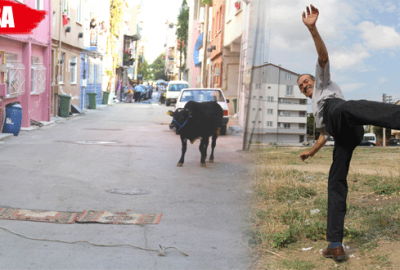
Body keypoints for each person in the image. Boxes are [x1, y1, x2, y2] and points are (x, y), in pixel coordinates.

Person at [298, 4, 400, 261]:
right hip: (342, 134)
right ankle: (335, 243)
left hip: (344, 117)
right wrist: (311, 152)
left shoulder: (323, 83)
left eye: (305, 81)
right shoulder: (315, 109)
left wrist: (313, 30)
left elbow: (322, 57)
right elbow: (325, 134)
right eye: (301, 86)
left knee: (346, 107)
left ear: (314, 79)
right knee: (335, 183)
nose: (304, 85)